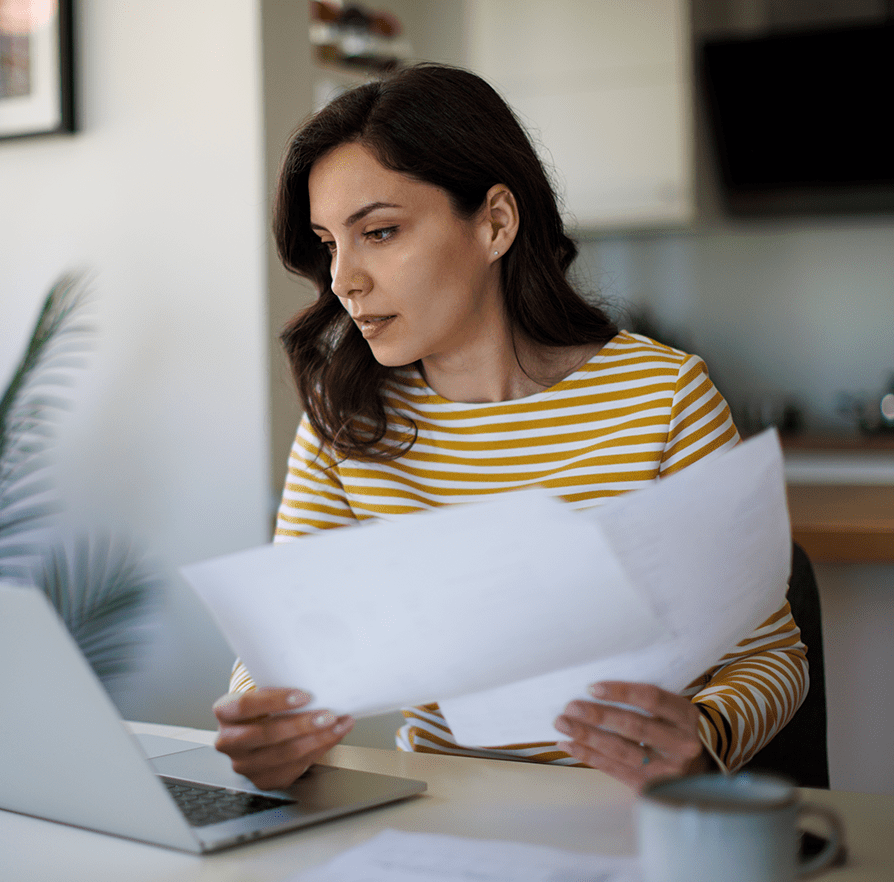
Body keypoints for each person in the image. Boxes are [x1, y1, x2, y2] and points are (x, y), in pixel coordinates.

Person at [212, 63, 807, 793]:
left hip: (623, 815)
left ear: (495, 221)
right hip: (433, 820)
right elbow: (281, 651)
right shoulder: (347, 420)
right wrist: (261, 718)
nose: (344, 280)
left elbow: (772, 654)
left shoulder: (664, 395)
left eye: (381, 232)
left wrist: (703, 739)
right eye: (330, 243)